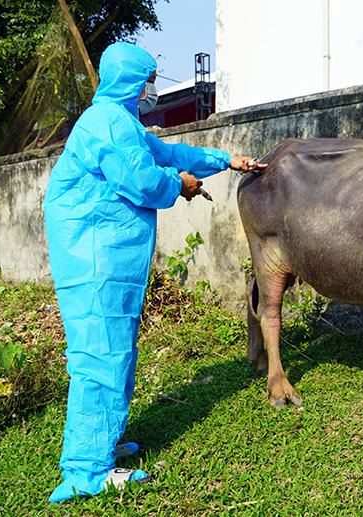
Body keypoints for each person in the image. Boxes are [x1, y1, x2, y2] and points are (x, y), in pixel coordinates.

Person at [43, 41, 266, 502]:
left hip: (105, 256)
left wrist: (226, 161)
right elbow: (145, 179)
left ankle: (104, 443)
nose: (150, 90)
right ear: (129, 80)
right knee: (99, 356)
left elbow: (168, 153)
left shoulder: (121, 122)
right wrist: (179, 186)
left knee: (116, 350)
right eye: (146, 80)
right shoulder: (106, 124)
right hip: (92, 257)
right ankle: (86, 471)